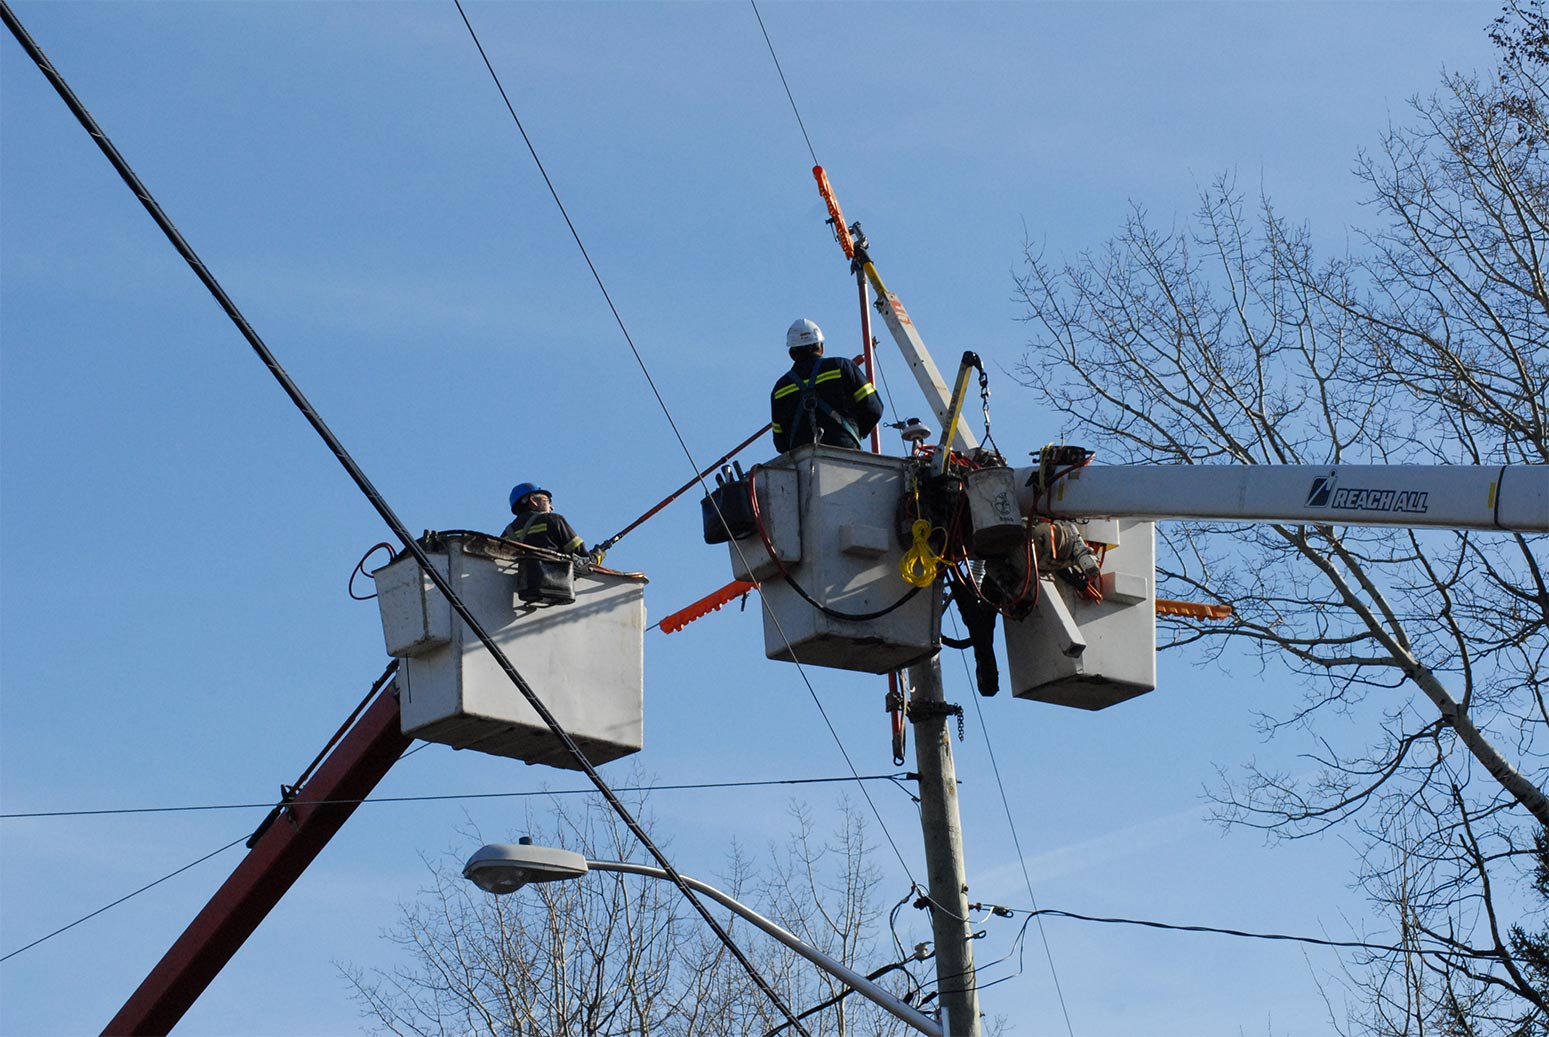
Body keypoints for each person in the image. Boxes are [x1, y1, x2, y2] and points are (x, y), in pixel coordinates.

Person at [770, 318, 883, 453]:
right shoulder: (841, 367)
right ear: (821, 347)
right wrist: (853, 434)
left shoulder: (780, 389)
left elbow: (780, 443)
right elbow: (874, 408)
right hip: (846, 455)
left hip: (802, 466)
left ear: (792, 354)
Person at [502, 482, 594, 558]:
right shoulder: (554, 520)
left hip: (518, 579)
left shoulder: (507, 533)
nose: (552, 507)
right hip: (552, 577)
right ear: (533, 501)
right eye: (548, 501)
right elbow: (582, 558)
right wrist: (597, 556)